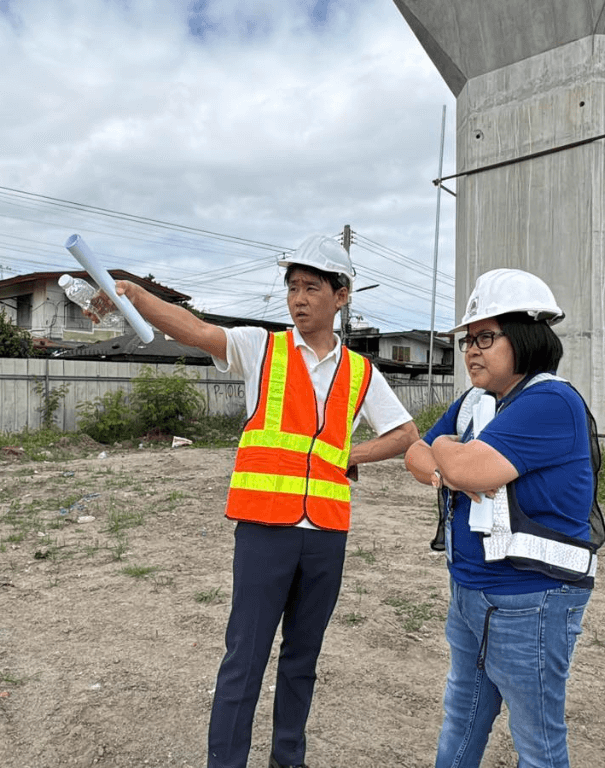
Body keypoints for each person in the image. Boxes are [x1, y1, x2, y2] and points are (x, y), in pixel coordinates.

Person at [107, 234, 419, 768]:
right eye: (293, 288)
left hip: (326, 535)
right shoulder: (262, 349)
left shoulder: (361, 371)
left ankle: (286, 760)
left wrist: (348, 455)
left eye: (311, 288)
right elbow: (195, 329)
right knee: (245, 659)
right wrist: (135, 295)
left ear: (341, 296)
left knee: (302, 660)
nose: (298, 299)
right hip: (264, 529)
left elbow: (406, 434)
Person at [404, 268, 604, 768]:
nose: (472, 350)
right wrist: (453, 466)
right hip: (469, 589)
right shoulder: (475, 402)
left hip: (531, 598)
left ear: (527, 337)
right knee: (462, 716)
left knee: (536, 740)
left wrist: (449, 453)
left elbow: (458, 461)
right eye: (469, 340)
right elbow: (415, 455)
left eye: (486, 337)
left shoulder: (549, 400)